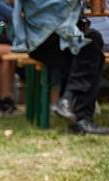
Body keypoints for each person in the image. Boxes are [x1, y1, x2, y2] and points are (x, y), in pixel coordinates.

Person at [13, 0, 108, 135]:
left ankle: (74, 112)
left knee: (89, 54)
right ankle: (76, 111)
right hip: (47, 39)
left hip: (41, 41)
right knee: (91, 43)